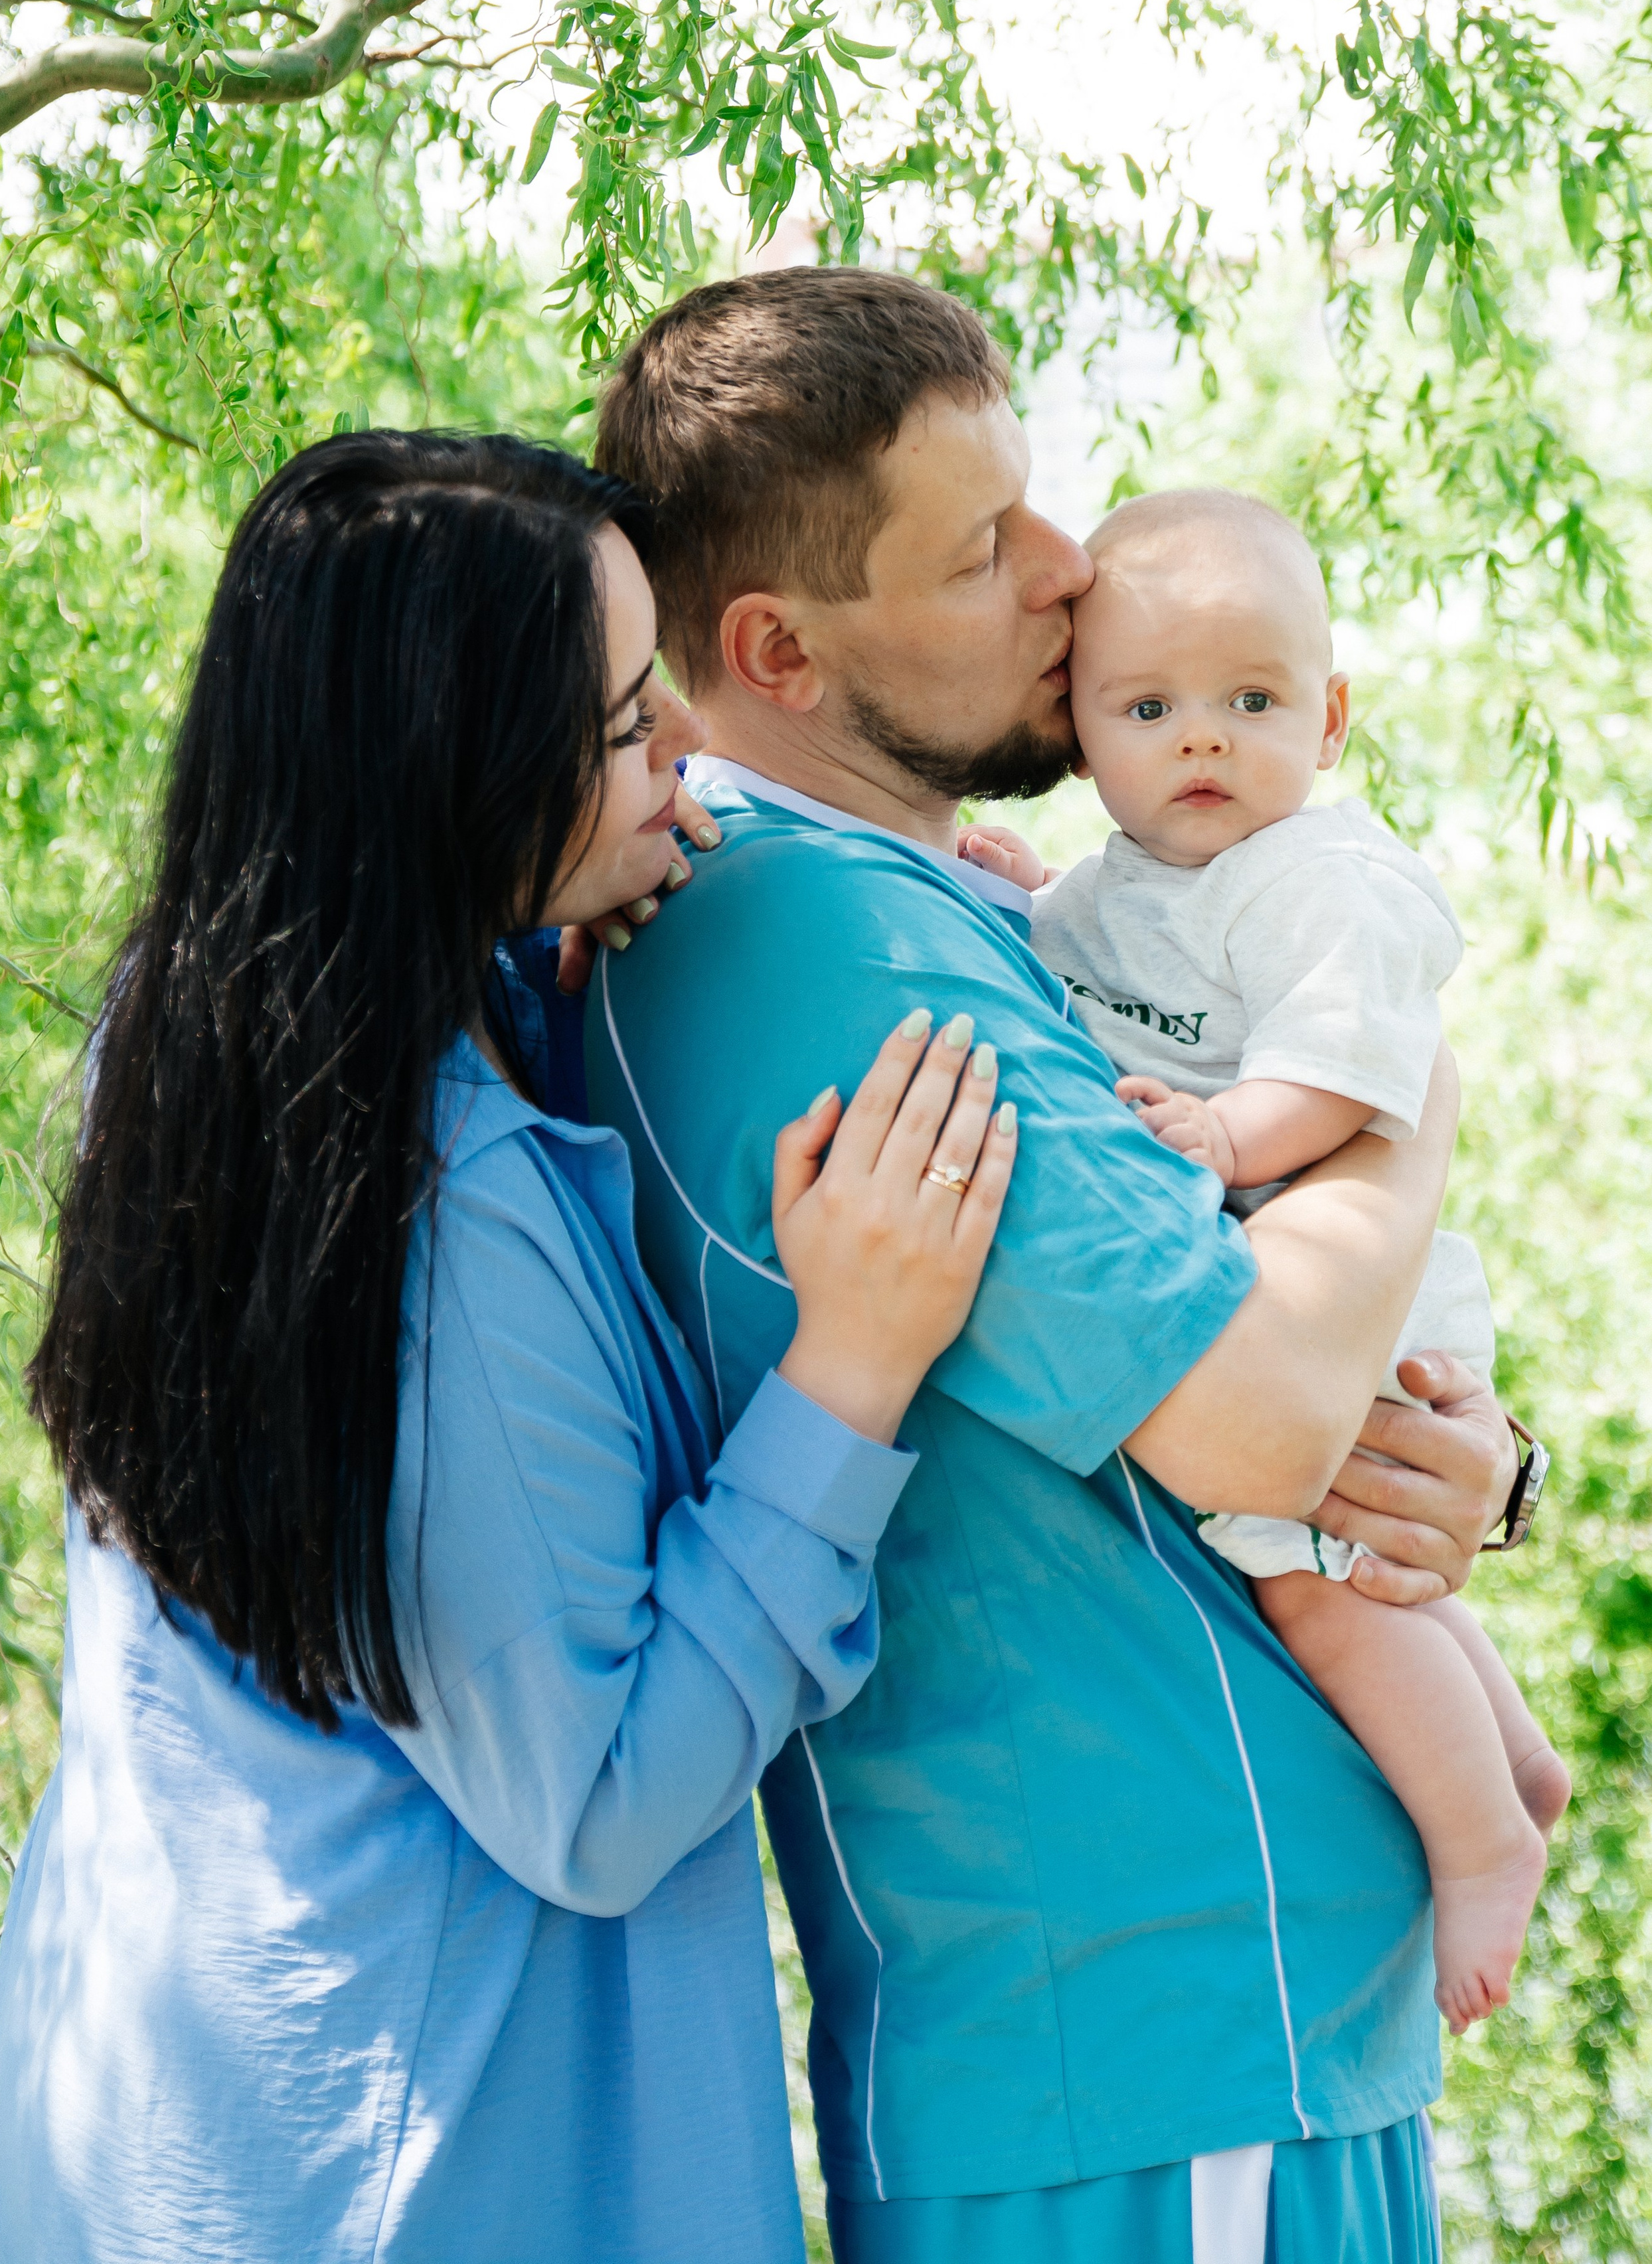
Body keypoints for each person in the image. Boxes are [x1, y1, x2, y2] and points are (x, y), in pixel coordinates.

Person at [0, 432, 1018, 2264]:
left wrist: (553, 928)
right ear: (445, 780)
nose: (687, 747)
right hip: (428, 2172)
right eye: (624, 726)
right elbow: (600, 1802)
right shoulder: (430, 1206)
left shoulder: (198, 1037)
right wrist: (852, 1366)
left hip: (176, 2126)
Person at [586, 268, 1530, 2264]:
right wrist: (1411, 1100)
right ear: (782, 649)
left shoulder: (951, 906)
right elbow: (1263, 1410)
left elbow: (1266, 1342)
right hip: (1142, 2047)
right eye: (981, 546)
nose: (1066, 566)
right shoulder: (834, 947)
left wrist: (1477, 1466)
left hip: (1225, 2037)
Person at [967, 485, 1568, 2038]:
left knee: (1306, 1578)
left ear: (1331, 714)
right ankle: (1512, 1755)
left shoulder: (1324, 880)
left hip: (1355, 1286)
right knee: (1357, 1561)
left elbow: (1352, 1071)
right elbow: (1112, 977)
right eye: (1147, 707)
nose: (1201, 744)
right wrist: (1022, 898)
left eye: (1250, 702)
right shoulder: (1127, 877)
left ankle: (1479, 1837)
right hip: (1299, 1255)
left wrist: (1231, 1138)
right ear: (1080, 730)